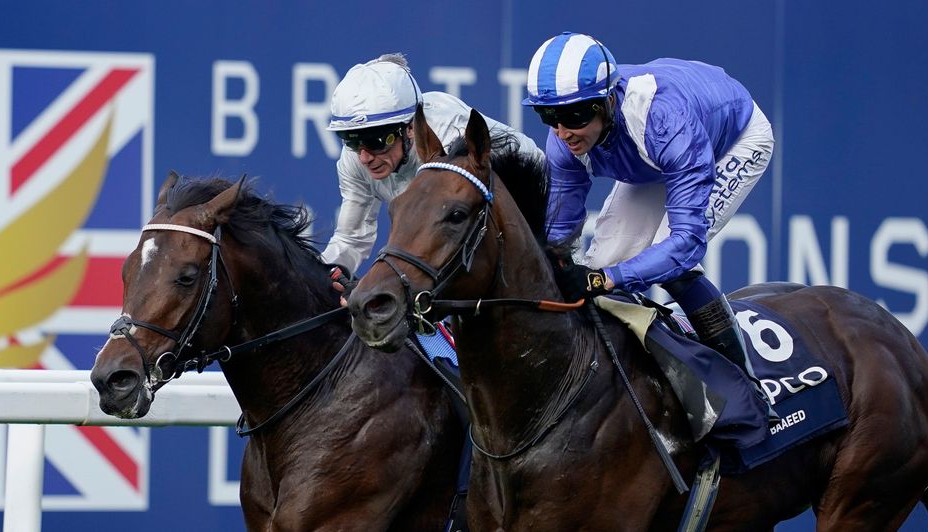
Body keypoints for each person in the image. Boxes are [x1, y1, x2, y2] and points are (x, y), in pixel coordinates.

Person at [522, 32, 777, 419]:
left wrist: (608, 278)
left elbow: (685, 242)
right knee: (601, 259)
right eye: (549, 117)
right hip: (657, 156)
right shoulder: (563, 140)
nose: (562, 132)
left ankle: (747, 393)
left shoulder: (661, 119)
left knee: (671, 264)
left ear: (608, 101)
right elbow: (559, 236)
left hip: (730, 139)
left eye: (574, 116)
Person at [322, 53, 543, 281]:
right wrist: (327, 275)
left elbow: (454, 240)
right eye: (351, 139)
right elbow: (350, 239)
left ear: (410, 128)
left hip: (537, 202)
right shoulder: (355, 156)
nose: (364, 157)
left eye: (376, 141)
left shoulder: (448, 137)